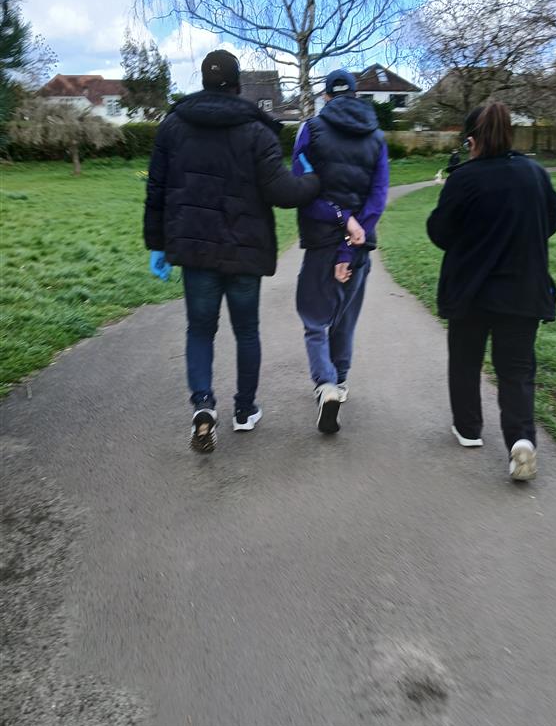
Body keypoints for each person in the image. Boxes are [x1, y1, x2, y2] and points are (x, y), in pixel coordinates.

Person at [144, 50, 320, 453]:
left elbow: (156, 189)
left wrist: (157, 244)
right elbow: (282, 191)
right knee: (246, 332)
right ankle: (244, 410)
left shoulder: (173, 126)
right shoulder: (257, 130)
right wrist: (312, 179)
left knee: (199, 330)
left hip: (195, 251)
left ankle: (203, 406)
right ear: (238, 85)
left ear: (204, 81)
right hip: (244, 251)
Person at [427, 102, 556, 481]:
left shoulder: (464, 180)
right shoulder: (535, 174)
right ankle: (521, 440)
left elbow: (440, 232)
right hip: (523, 290)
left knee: (465, 362)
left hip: (470, 291)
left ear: (471, 141)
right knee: (516, 370)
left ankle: (468, 429)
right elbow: (552, 220)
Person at [293, 69, 389, 433]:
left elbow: (303, 187)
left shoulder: (310, 129)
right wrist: (353, 234)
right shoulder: (376, 137)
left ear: (326, 97)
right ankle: (341, 380)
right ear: (355, 94)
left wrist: (339, 217)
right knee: (345, 317)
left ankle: (326, 384)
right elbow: (379, 194)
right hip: (360, 245)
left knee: (314, 319)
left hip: (320, 242)